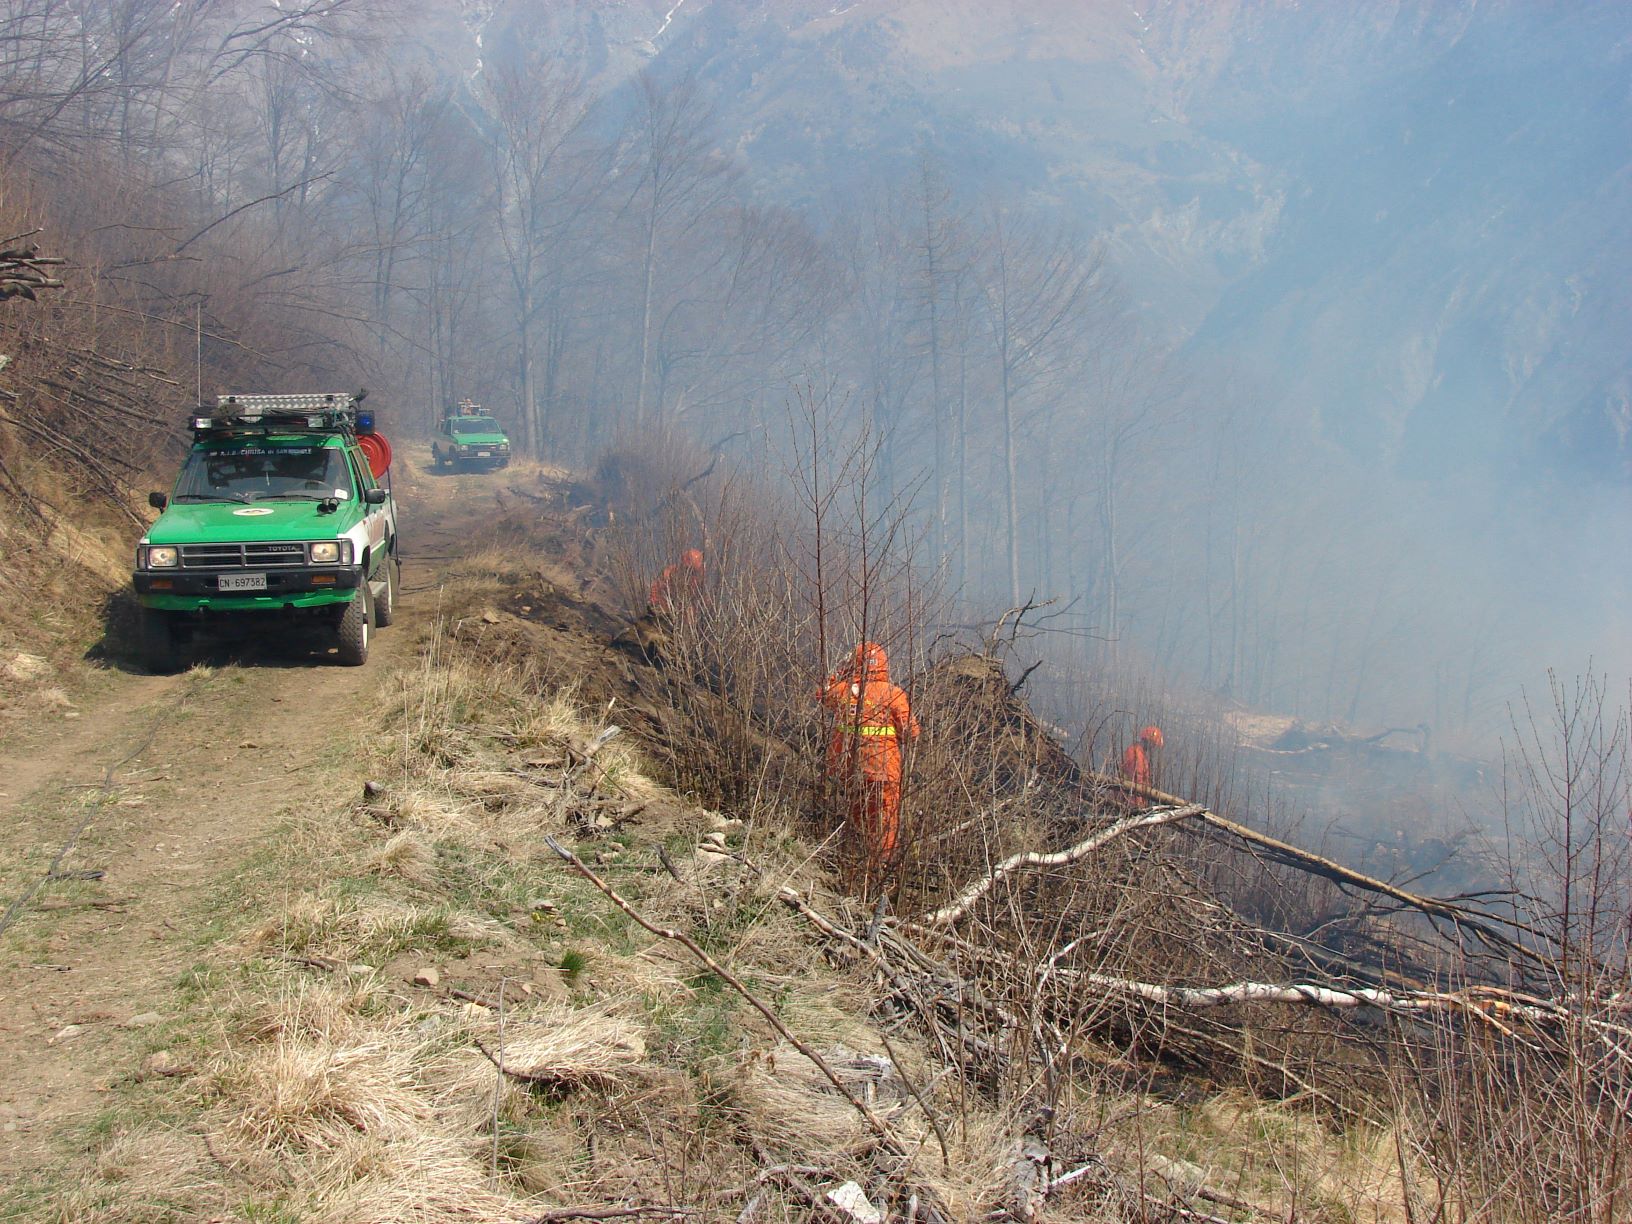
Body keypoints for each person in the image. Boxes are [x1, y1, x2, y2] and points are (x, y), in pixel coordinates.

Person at [818, 641, 920, 865]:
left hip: (851, 770)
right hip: (886, 771)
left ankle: (854, 865)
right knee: (885, 823)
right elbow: (911, 733)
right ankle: (881, 868)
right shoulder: (894, 694)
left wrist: (843, 670)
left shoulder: (843, 691)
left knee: (857, 820)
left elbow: (822, 693)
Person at [647, 547, 704, 615]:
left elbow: (697, 597)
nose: (690, 573)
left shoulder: (698, 579)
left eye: (694, 571)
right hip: (664, 609)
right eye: (688, 569)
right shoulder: (669, 573)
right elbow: (656, 591)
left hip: (682, 610)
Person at [1119, 725, 1163, 800]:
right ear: (1148, 742)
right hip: (1129, 800)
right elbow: (1137, 782)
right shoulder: (1136, 754)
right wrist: (1139, 804)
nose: (1153, 748)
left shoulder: (1140, 754)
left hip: (1130, 799)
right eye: (1153, 745)